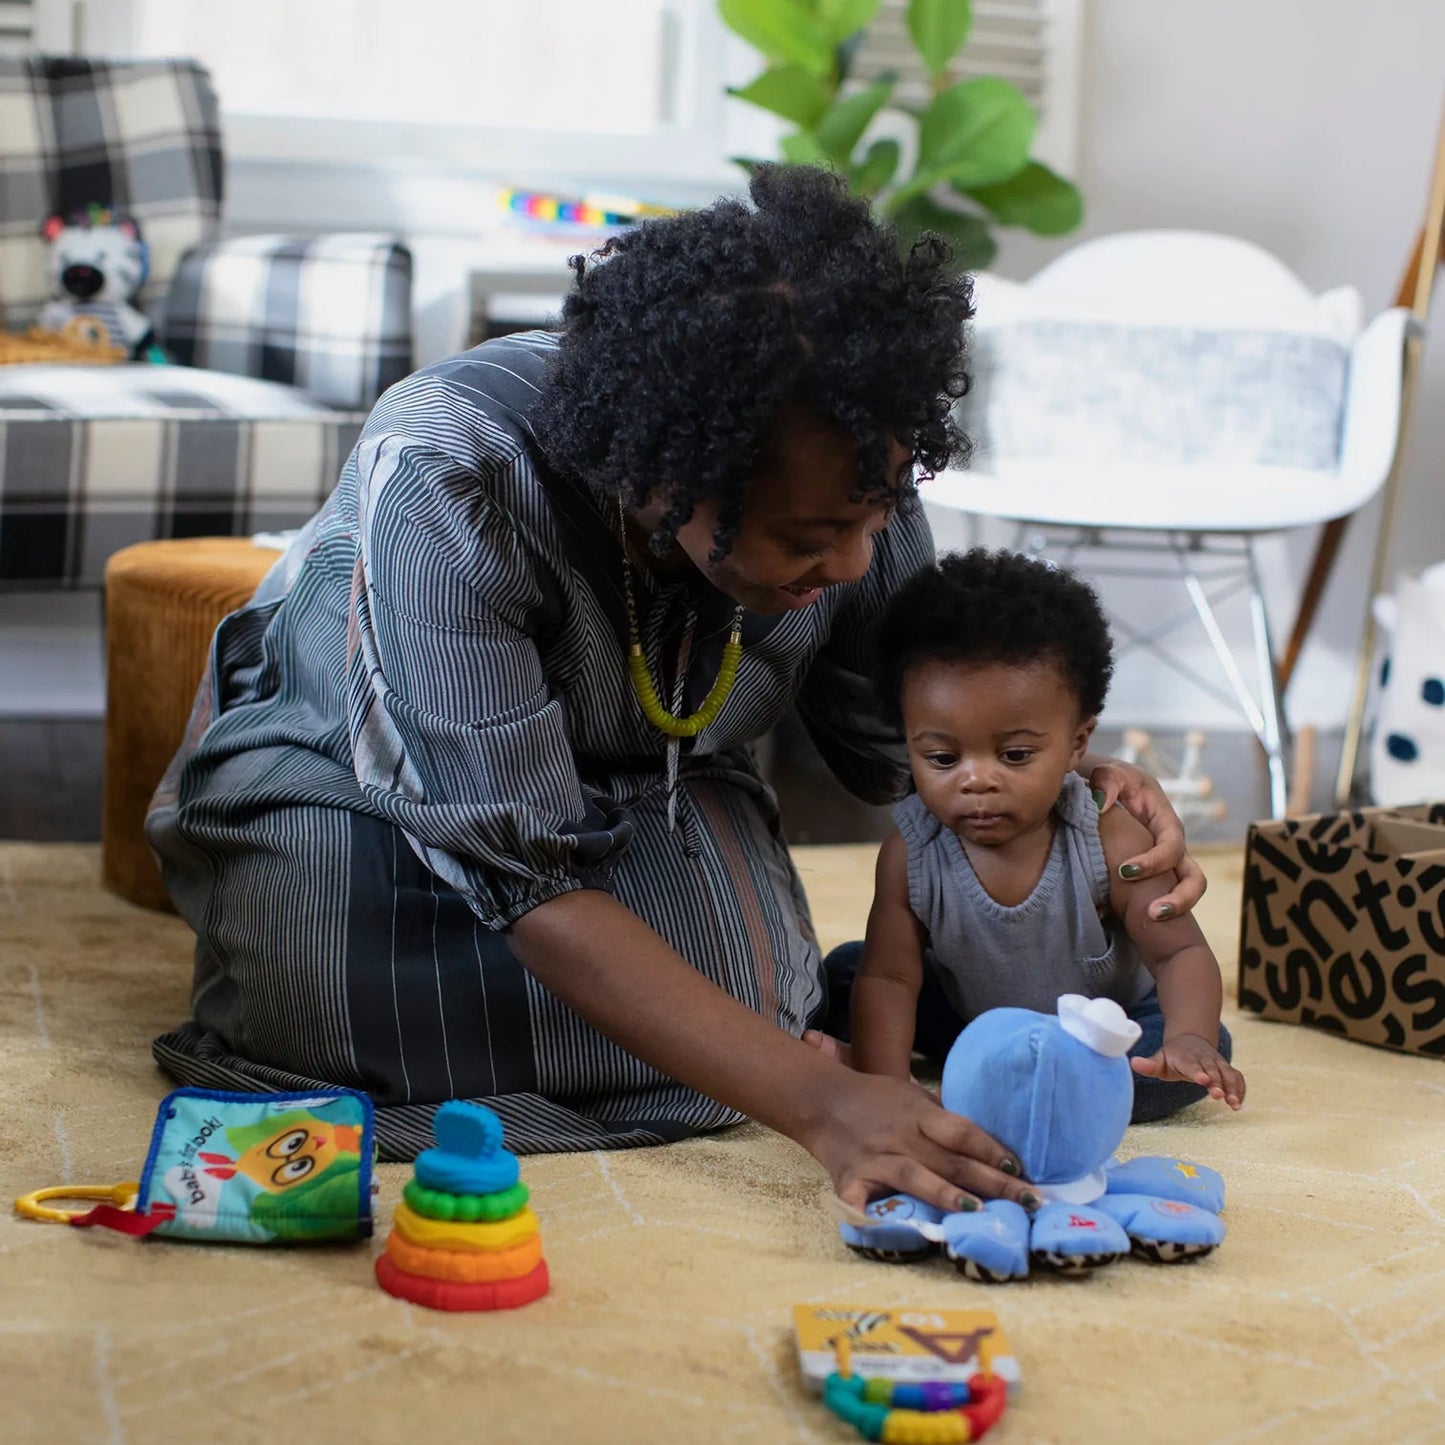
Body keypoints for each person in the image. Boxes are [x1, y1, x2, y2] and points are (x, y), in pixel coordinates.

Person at [146, 166, 1206, 1218]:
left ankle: (646, 1034)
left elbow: (918, 741)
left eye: (873, 518)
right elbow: (516, 872)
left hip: (642, 798)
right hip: (360, 789)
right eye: (807, 537)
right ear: (664, 476)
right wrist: (817, 1096)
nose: (849, 564)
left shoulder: (852, 472)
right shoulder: (448, 468)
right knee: (310, 984)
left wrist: (1068, 769)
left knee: (751, 992)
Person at [827, 549, 1245, 1123]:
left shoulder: (1106, 834)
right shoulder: (912, 849)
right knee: (849, 972)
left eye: (1016, 755)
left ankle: (992, 1087)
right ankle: (992, 1080)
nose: (977, 780)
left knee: (1194, 1054)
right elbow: (892, 976)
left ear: (1077, 744)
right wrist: (886, 1083)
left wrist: (1189, 1038)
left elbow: (1180, 955)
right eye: (943, 757)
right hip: (972, 1020)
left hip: (1102, 1033)